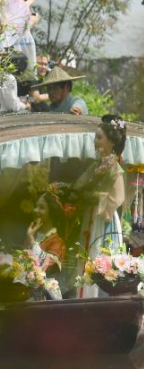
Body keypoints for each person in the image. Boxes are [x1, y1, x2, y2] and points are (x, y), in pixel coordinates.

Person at [75, 115, 127, 298]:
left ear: (111, 142)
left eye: (99, 137)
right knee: (86, 253)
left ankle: (98, 298)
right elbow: (79, 186)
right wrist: (91, 181)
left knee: (100, 255)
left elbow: (117, 197)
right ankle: (83, 298)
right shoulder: (95, 166)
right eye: (95, 137)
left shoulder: (115, 168)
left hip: (104, 217)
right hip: (91, 214)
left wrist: (95, 197)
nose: (95, 141)